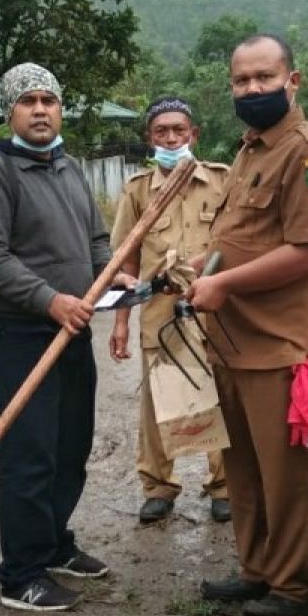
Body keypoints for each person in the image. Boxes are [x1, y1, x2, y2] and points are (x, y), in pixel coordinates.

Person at [188, 34, 308, 616]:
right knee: (246, 470)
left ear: (292, 81)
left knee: (289, 473)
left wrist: (225, 284)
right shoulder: (251, 151)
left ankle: (294, 585)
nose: (252, 89)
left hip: (282, 343)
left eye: (264, 77)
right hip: (232, 340)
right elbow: (242, 239)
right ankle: (257, 570)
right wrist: (204, 268)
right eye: (241, 80)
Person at [0, 63, 114, 611]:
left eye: (49, 99)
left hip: (73, 332)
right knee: (30, 456)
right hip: (23, 334)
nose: (41, 109)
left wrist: (111, 277)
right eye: (29, 101)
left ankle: (53, 544)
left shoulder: (69, 169)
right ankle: (20, 574)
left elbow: (97, 238)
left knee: (70, 447)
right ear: (11, 112)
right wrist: (50, 299)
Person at [109, 96, 230, 524]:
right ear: (150, 138)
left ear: (194, 135)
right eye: (162, 132)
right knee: (158, 400)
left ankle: (223, 487)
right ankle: (158, 487)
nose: (172, 138)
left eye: (179, 130)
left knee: (219, 392)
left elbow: (239, 243)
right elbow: (126, 256)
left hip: (214, 311)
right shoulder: (138, 190)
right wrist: (121, 321)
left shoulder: (221, 181)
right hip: (158, 311)